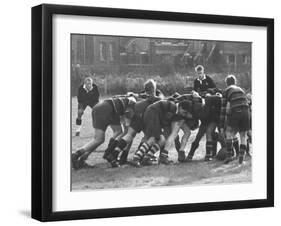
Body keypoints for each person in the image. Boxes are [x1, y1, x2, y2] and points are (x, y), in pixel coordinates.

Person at [71, 95, 136, 170]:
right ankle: (76, 154)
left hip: (102, 107)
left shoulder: (126, 99)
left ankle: (83, 159)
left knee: (118, 131)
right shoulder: (133, 103)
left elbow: (123, 121)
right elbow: (127, 127)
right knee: (99, 139)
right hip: (106, 110)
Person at [130, 100, 193, 167]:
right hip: (152, 114)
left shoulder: (173, 108)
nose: (183, 114)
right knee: (153, 138)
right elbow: (166, 121)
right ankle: (136, 158)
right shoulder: (173, 108)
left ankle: (146, 158)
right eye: (184, 112)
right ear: (180, 107)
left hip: (152, 114)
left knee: (162, 140)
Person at [219, 75, 251, 165]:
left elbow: (223, 109)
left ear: (226, 83)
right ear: (235, 82)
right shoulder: (241, 90)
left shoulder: (226, 91)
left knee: (229, 133)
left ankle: (229, 156)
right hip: (246, 111)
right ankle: (241, 159)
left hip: (235, 110)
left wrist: (221, 126)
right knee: (243, 136)